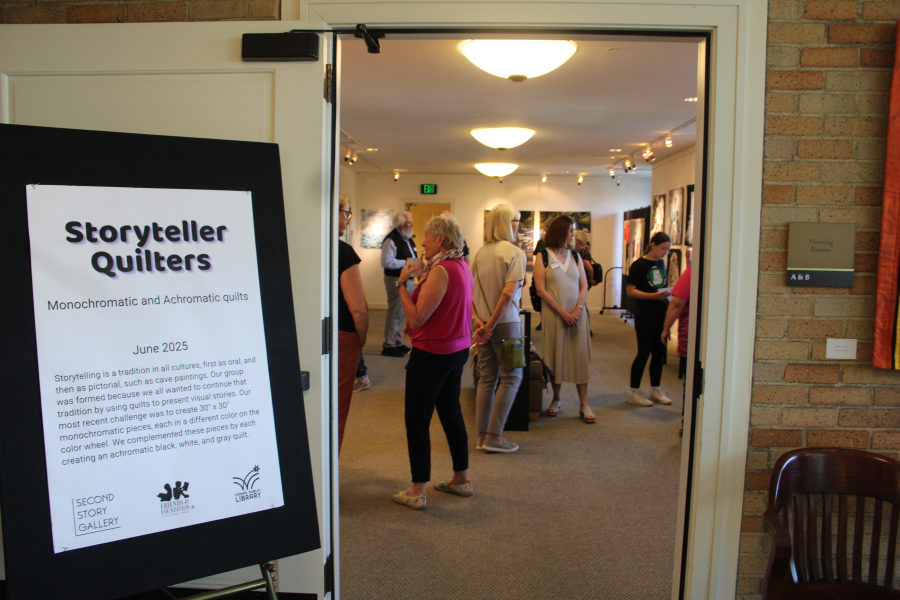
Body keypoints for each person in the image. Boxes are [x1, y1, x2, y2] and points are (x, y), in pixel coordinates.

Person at [391, 214, 474, 510]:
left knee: (417, 420)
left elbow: (416, 317)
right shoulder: (461, 265)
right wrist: (421, 277)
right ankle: (461, 478)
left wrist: (403, 284)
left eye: (426, 236)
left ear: (440, 239)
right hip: (455, 351)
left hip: (433, 355)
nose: (422, 242)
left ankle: (417, 490)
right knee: (451, 413)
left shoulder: (442, 270)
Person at [471, 204, 526, 453]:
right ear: (508, 223)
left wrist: (480, 323)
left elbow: (470, 294)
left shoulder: (480, 253)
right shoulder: (515, 253)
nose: (518, 225)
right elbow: (508, 294)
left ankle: (482, 434)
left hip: (483, 323)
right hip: (507, 324)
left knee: (486, 378)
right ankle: (495, 436)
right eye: (517, 221)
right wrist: (491, 325)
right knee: (512, 377)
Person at [533, 215, 594, 423]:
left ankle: (584, 403)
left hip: (577, 315)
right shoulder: (543, 256)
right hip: (555, 314)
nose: (573, 234)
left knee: (580, 356)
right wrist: (563, 312)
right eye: (570, 230)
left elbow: (584, 286)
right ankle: (556, 399)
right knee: (556, 356)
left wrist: (577, 310)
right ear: (560, 232)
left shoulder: (575, 256)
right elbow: (541, 290)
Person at [626, 231, 673, 406]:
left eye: (667, 250)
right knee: (644, 352)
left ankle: (655, 389)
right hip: (645, 313)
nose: (665, 253)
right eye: (663, 248)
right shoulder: (638, 265)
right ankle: (633, 392)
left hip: (661, 311)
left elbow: (659, 285)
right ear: (653, 245)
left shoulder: (661, 263)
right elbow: (630, 291)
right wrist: (652, 297)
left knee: (659, 353)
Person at [336, 201, 368, 454]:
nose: (348, 218)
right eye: (346, 212)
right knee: (336, 408)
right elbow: (359, 310)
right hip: (340, 336)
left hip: (304, 335)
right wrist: (362, 340)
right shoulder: (343, 252)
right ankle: (327, 479)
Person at [381, 211, 416, 357]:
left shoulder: (407, 239)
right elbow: (386, 261)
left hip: (407, 280)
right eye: (408, 222)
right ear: (400, 224)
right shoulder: (391, 239)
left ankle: (397, 342)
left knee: (402, 313)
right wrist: (407, 263)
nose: (411, 224)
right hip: (395, 280)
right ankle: (388, 345)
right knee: (395, 312)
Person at [662, 265, 691, 435]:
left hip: (693, 337)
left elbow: (677, 303)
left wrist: (666, 329)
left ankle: (688, 423)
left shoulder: (694, 271)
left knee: (692, 383)